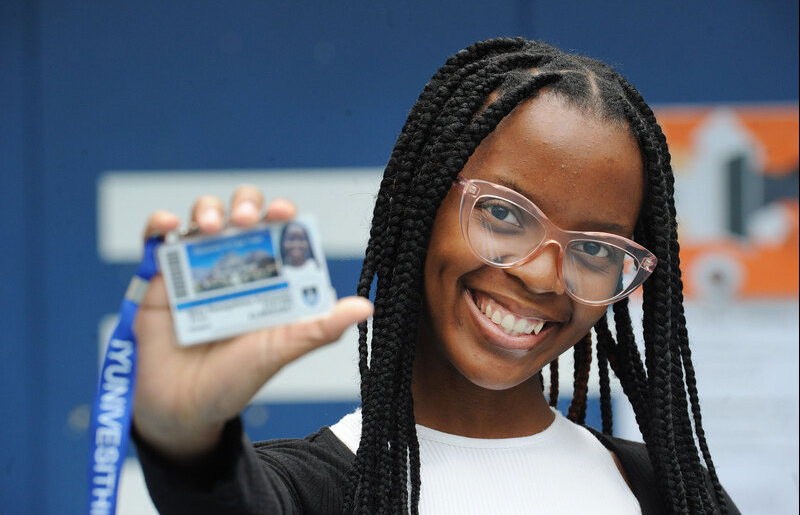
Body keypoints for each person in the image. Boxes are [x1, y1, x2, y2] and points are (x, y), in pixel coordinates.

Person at [132, 38, 740, 514]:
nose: (541, 276)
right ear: (416, 203)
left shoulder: (673, 497)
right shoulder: (314, 491)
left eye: (594, 250)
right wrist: (185, 436)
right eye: (502, 213)